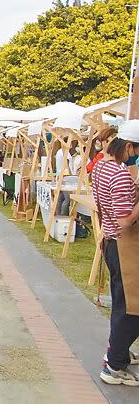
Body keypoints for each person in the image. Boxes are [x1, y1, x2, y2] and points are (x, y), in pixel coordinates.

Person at [92, 120, 139, 386]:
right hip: (123, 244)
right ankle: (115, 364)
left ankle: (118, 351)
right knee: (131, 308)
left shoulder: (101, 166)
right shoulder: (120, 174)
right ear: (129, 147)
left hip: (112, 242)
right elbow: (124, 220)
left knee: (122, 304)